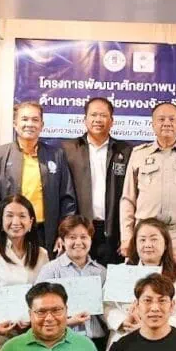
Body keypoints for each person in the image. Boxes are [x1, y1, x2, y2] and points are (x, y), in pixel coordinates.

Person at [0, 101, 77, 253]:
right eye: (24, 119)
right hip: (11, 233)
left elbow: (67, 198)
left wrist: (63, 233)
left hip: (46, 234)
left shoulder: (56, 155)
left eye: (35, 120)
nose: (30, 124)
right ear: (15, 124)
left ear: (42, 124)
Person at [120, 102, 176, 257]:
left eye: (172, 119)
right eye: (161, 119)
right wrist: (127, 237)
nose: (167, 123)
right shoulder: (139, 154)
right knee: (146, 279)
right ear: (153, 124)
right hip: (146, 235)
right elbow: (128, 200)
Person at [60, 97, 133, 265]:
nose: (98, 120)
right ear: (85, 119)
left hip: (114, 232)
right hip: (80, 230)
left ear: (112, 121)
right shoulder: (68, 150)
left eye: (103, 115)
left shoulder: (126, 151)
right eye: (93, 115)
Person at [104, 218, 176, 351]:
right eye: (142, 239)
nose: (148, 244)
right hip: (123, 339)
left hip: (163, 344)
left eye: (154, 239)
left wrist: (148, 327)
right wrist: (122, 321)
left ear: (166, 243)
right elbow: (105, 306)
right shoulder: (120, 271)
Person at [0, 194, 50, 351]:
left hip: (32, 332)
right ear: (1, 220)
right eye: (10, 215)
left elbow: (44, 294)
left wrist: (32, 321)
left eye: (22, 216)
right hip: (0, 332)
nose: (16, 222)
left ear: (31, 222)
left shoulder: (41, 254)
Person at [35, 215, 107, 351]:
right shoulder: (51, 270)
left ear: (91, 239)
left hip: (96, 342)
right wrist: (67, 321)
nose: (78, 242)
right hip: (61, 341)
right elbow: (37, 307)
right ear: (62, 241)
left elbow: (108, 308)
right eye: (72, 237)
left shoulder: (101, 272)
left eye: (84, 237)